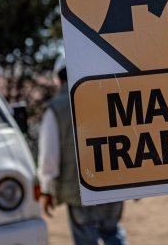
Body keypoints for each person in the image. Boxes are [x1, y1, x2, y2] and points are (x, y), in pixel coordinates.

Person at [39, 56, 128, 245]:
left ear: (58, 79)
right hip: (112, 186)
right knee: (113, 233)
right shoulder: (106, 96)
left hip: (77, 191)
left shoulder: (55, 108)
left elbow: (49, 156)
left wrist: (47, 190)